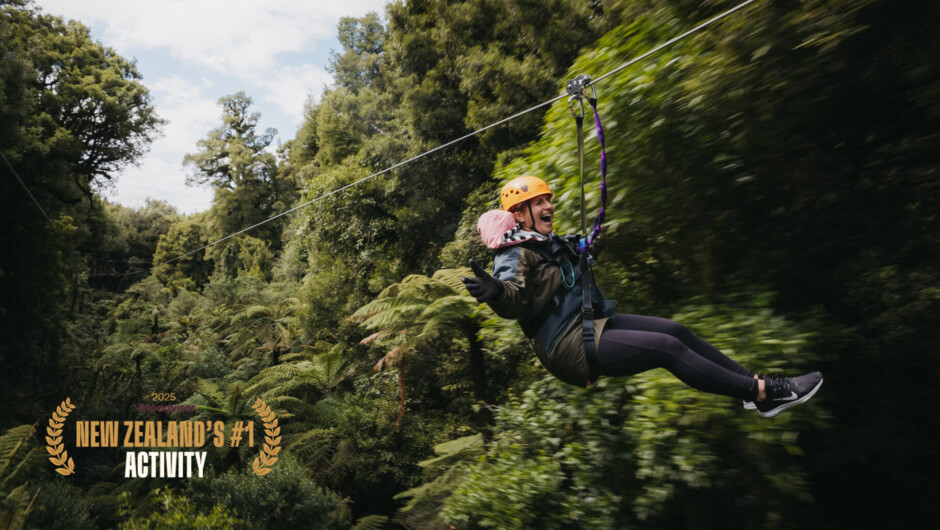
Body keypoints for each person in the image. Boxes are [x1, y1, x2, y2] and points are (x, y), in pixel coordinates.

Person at [463, 176, 822, 417]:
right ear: (519, 215)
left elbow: (568, 262)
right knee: (668, 350)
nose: (548, 207)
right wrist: (495, 292)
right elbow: (512, 296)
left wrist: (588, 250)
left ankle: (754, 388)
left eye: (547, 200)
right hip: (566, 342)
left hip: (589, 321)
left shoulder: (550, 243)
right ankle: (764, 392)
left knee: (676, 331)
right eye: (537, 202)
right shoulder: (512, 252)